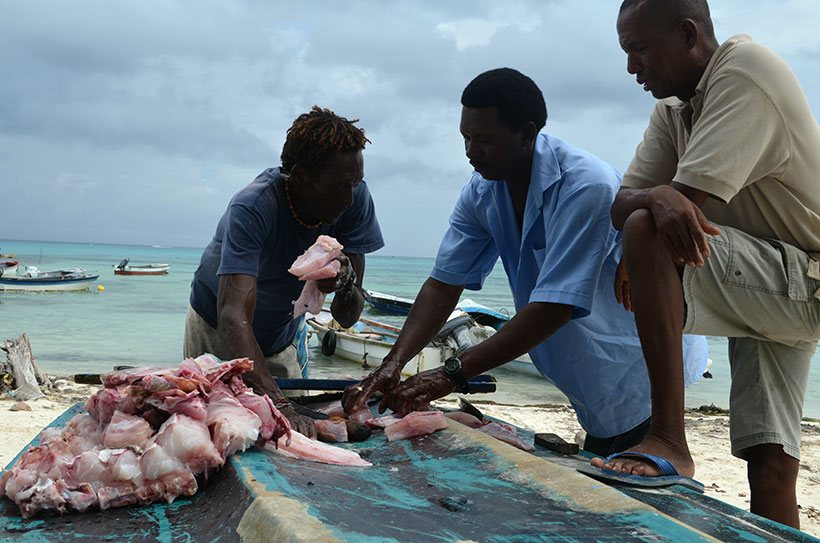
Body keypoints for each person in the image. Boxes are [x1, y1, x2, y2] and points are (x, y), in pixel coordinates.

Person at [342, 68, 708, 457]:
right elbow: (444, 284)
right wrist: (393, 363)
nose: (470, 151)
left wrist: (450, 373)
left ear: (528, 133)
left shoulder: (587, 185)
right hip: (588, 384)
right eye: (465, 138)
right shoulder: (481, 190)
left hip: (638, 370)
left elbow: (555, 307)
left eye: (484, 140)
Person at [594, 0, 820, 528]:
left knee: (646, 230)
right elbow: (621, 202)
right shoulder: (674, 106)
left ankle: (670, 438)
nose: (632, 68)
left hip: (805, 279)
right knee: (769, 466)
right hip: (772, 277)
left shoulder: (746, 73)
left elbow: (666, 207)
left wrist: (655, 214)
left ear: (690, 34)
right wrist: (659, 200)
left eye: (640, 50)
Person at [186, 106, 384, 438]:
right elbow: (232, 315)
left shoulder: (354, 198)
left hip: (281, 334)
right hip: (215, 328)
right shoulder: (253, 207)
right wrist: (281, 405)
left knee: (295, 439)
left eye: (356, 184)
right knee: (218, 436)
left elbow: (348, 317)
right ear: (301, 176)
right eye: (339, 187)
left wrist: (346, 282)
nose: (350, 199)